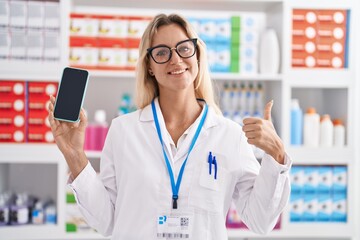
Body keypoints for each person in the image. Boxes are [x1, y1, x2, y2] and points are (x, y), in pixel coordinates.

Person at [48, 13, 291, 240]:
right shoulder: (124, 130)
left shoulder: (230, 135)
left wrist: (276, 154)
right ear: (150, 66)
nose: (176, 59)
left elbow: (260, 220)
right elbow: (107, 221)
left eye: (185, 48)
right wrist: (75, 156)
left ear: (197, 55)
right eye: (162, 52)